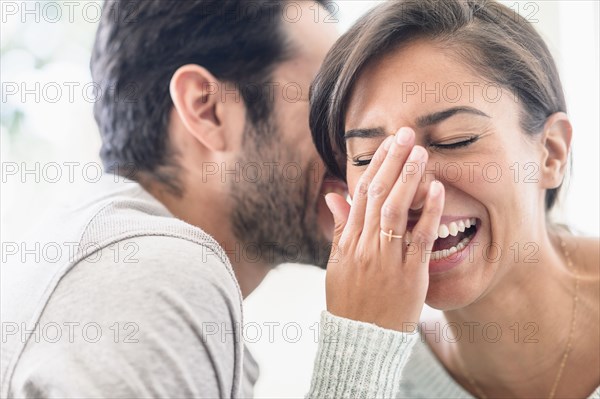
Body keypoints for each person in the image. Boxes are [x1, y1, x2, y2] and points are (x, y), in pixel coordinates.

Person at [1, 1, 428, 397]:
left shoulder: (117, 257)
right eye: (324, 107)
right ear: (207, 108)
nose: (351, 146)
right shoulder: (151, 275)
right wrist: (364, 343)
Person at [310, 0, 600, 398]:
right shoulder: (376, 371)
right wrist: (359, 346)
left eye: (455, 141)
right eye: (368, 158)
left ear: (550, 152)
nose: (408, 192)